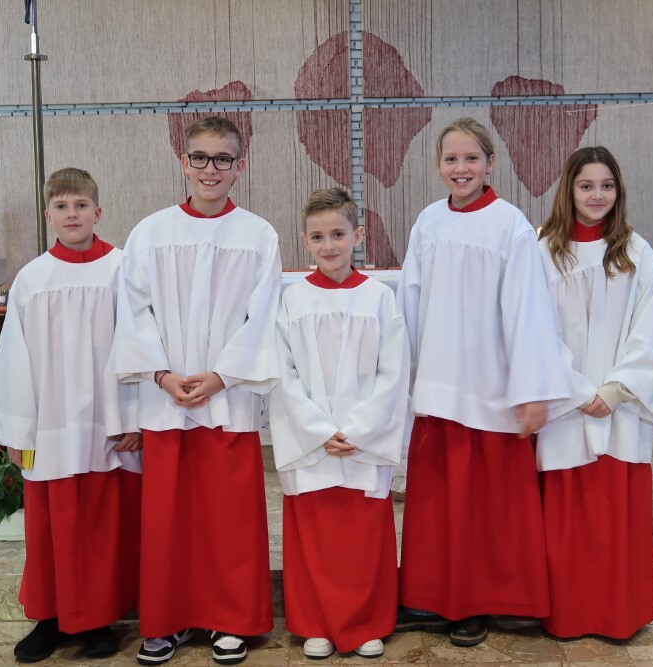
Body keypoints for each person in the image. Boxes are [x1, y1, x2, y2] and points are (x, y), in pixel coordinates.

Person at [395, 117, 570, 647]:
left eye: (471, 158)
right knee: (441, 505)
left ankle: (491, 600)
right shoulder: (428, 222)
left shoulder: (510, 224)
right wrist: (408, 377)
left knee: (493, 506)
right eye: (451, 158)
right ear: (438, 166)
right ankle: (437, 598)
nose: (461, 168)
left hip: (492, 386)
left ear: (490, 163)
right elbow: (410, 302)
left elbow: (528, 309)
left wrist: (531, 388)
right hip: (438, 382)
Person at [114, 116, 281, 666]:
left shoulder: (258, 235)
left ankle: (231, 619)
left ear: (240, 166)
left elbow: (263, 316)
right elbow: (133, 310)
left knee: (229, 517)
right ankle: (168, 619)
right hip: (166, 398)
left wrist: (221, 376)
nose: (212, 169)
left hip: (227, 397)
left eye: (223, 159)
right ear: (184, 162)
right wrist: (161, 375)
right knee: (169, 519)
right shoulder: (151, 232)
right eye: (201, 158)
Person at [0, 167, 142, 662]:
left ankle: (99, 620)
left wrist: (134, 417)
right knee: (51, 526)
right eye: (62, 206)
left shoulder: (123, 269)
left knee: (101, 526)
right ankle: (49, 619)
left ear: (98, 211)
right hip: (49, 424)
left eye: (81, 205)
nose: (72, 214)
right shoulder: (33, 277)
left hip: (107, 425)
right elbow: (14, 357)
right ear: (48, 215)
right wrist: (16, 429)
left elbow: (140, 345)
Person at [269, 188, 410, 659]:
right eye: (317, 237)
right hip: (313, 443)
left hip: (362, 442)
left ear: (358, 235)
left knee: (362, 537)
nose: (328, 246)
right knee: (315, 535)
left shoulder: (379, 298)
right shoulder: (293, 300)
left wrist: (359, 430)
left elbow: (394, 373)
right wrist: (319, 432)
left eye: (337, 234)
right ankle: (315, 622)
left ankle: (365, 622)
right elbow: (283, 372)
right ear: (304, 240)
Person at [536, 146, 653, 639]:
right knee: (566, 520)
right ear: (568, 190)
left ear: (619, 191)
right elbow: (534, 329)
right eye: (586, 186)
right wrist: (575, 389)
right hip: (564, 406)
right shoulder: (542, 251)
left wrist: (614, 390)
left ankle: (616, 615)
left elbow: (649, 332)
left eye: (606, 186)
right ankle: (569, 614)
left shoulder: (638, 254)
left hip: (619, 408)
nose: (597, 195)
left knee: (613, 517)